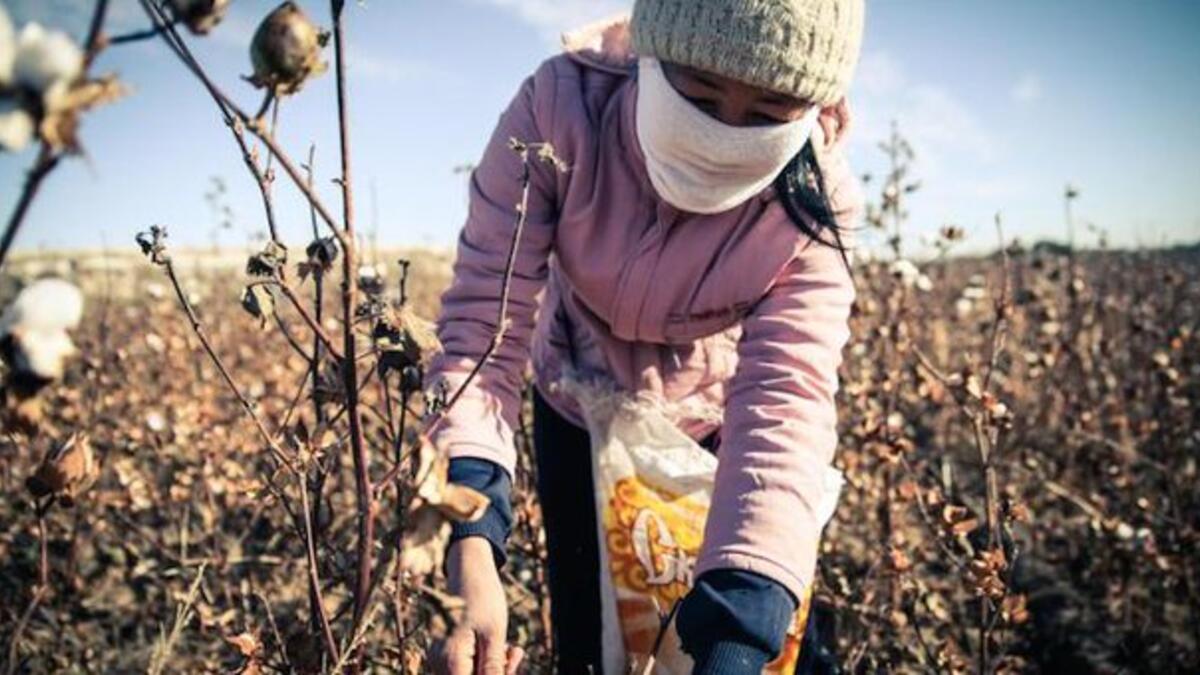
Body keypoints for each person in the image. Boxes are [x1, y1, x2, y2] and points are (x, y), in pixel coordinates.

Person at [429, 0, 865, 672]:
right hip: (574, 404)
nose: (724, 133)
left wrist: (740, 627)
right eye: (699, 93)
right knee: (594, 635)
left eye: (768, 114)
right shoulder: (559, 110)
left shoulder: (814, 201)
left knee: (759, 632)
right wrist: (470, 539)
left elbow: (787, 399)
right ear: (648, 58)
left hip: (716, 427)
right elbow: (481, 332)